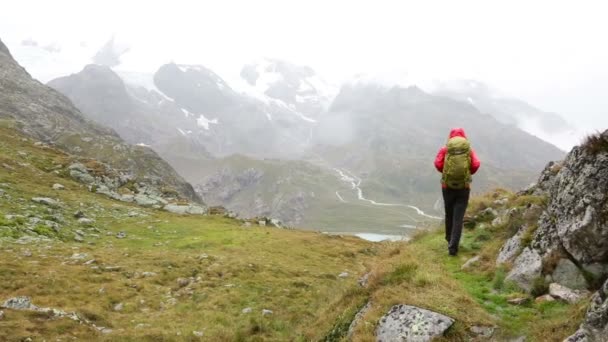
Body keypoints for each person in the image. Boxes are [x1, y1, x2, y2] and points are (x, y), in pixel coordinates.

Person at [434, 128, 481, 256]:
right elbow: (476, 164)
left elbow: (437, 163)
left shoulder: (445, 149)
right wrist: (467, 173)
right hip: (463, 188)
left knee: (449, 214)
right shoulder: (468, 150)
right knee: (458, 218)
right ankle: (453, 247)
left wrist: (446, 172)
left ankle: (449, 239)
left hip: (447, 186)